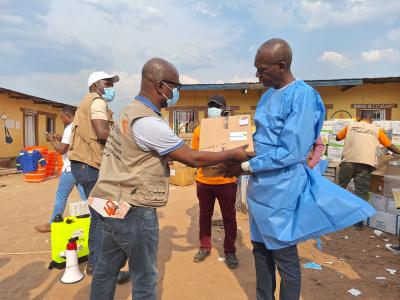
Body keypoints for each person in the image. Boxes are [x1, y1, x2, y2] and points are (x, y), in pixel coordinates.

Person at [89, 58, 251, 300]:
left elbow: (132, 154)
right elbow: (193, 158)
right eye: (175, 87)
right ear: (160, 86)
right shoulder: (148, 123)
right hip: (134, 209)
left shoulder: (128, 112)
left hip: (109, 203)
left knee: (106, 269)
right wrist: (233, 153)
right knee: (144, 277)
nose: (176, 93)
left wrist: (159, 160)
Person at [227, 38, 375, 300]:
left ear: (281, 66)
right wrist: (239, 154)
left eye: (262, 69)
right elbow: (262, 141)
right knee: (260, 251)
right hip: (261, 189)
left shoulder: (303, 96)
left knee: (284, 255)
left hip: (282, 189)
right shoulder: (266, 97)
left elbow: (291, 150)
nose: (257, 75)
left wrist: (247, 165)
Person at [68, 71, 129, 283]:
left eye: (112, 83)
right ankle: (100, 265)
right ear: (95, 85)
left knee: (100, 215)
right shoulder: (96, 102)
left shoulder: (88, 102)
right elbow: (103, 133)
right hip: (89, 167)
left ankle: (97, 264)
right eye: (108, 82)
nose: (111, 86)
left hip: (83, 166)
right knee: (105, 216)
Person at [191, 94, 238, 269]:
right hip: (204, 181)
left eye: (217, 106)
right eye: (211, 106)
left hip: (226, 181)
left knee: (229, 217)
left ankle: (230, 251)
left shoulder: (231, 129)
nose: (213, 109)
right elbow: (195, 154)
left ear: (224, 109)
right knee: (205, 215)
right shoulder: (199, 130)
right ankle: (205, 247)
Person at [336, 111, 400, 229]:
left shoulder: (350, 126)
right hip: (365, 165)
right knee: (361, 193)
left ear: (361, 118)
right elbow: (389, 146)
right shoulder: (376, 130)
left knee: (340, 188)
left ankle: (335, 217)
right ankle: (358, 223)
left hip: (348, 162)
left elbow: (337, 137)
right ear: (371, 119)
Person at [34, 106, 86, 233]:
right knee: (86, 195)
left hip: (70, 168)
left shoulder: (69, 128)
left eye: (62, 117)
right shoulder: (81, 126)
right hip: (81, 166)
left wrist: (52, 140)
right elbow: (70, 142)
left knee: (61, 195)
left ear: (68, 116)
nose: (62, 120)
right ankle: (97, 218)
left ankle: (52, 223)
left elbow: (61, 150)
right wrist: (60, 138)